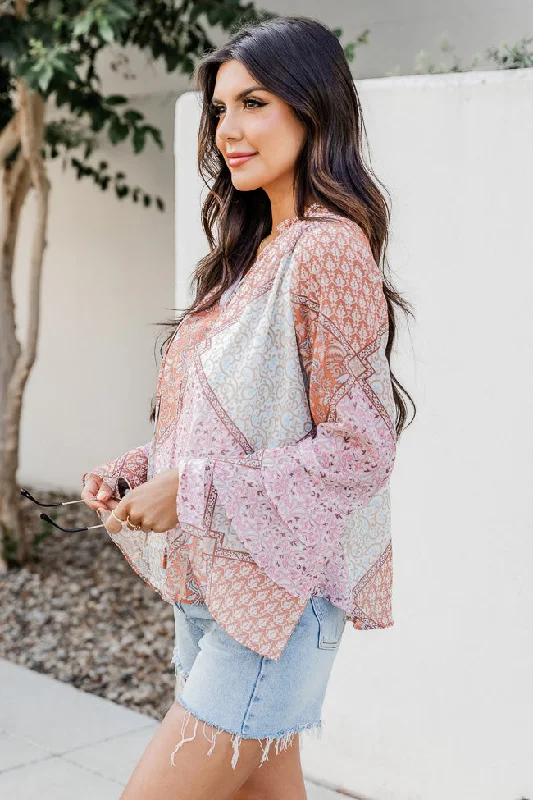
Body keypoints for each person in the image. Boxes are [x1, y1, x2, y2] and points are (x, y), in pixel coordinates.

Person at [81, 15, 415, 800]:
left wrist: (188, 491)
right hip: (218, 589)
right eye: (220, 109)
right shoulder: (255, 249)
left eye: (253, 102)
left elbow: (362, 447)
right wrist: (138, 472)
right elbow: (222, 417)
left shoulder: (327, 247)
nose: (228, 129)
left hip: (274, 600)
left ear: (312, 107)